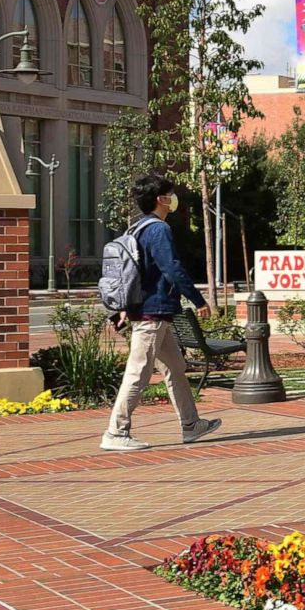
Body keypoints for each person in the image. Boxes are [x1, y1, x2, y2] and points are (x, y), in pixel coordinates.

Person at [100, 174, 222, 452]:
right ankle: (116, 432)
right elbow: (172, 267)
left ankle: (191, 425)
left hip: (154, 313)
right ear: (161, 200)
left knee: (176, 369)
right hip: (151, 314)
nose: (174, 198)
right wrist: (198, 300)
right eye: (171, 194)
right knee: (138, 373)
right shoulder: (158, 230)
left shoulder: (136, 228)